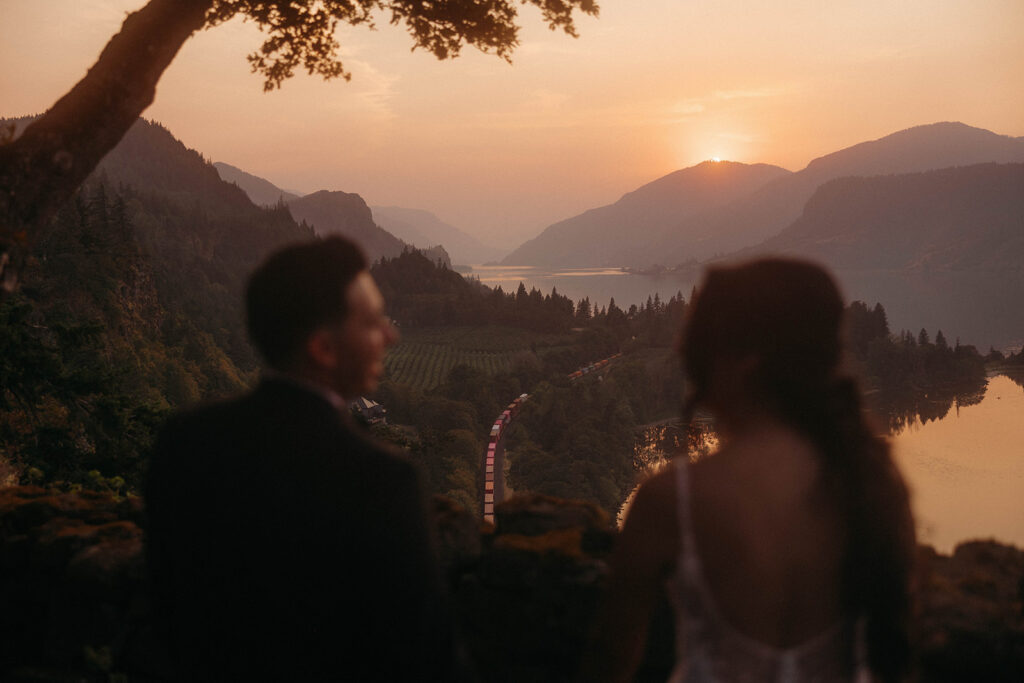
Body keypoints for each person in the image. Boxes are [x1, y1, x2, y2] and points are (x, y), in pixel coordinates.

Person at [145, 236, 468, 682]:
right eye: (373, 322)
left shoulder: (184, 442)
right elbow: (425, 657)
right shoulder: (381, 479)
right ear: (323, 348)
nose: (390, 336)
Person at [580, 258, 915, 683]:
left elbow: (609, 661)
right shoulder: (872, 481)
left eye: (699, 350)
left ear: (744, 364)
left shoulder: (671, 501)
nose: (687, 362)